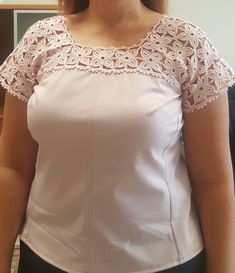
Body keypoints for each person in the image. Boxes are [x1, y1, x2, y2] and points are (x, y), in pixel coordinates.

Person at [0, 0, 234, 273]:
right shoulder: (39, 40)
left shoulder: (187, 44)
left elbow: (213, 182)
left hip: (165, 259)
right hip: (47, 256)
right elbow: (12, 168)